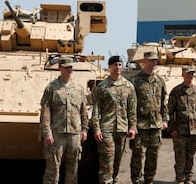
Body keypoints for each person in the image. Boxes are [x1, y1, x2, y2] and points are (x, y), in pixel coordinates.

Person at [40, 56, 89, 184]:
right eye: (66, 67)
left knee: (72, 171)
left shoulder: (79, 88)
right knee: (52, 171)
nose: (69, 69)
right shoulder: (52, 88)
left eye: (70, 67)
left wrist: (84, 129)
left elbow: (83, 110)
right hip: (57, 134)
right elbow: (45, 112)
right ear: (59, 68)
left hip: (74, 134)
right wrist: (47, 133)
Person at [92, 55, 137, 184]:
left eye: (119, 65)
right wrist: (96, 128)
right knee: (107, 161)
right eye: (115, 65)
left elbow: (132, 109)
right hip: (107, 129)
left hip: (122, 129)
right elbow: (96, 109)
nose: (118, 67)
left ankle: (114, 180)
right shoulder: (102, 87)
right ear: (109, 67)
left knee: (117, 161)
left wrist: (133, 127)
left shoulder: (129, 86)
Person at [129, 51, 169, 184]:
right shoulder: (135, 81)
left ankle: (149, 180)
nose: (153, 63)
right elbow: (130, 105)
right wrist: (132, 124)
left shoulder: (160, 81)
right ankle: (136, 180)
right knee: (137, 154)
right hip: (140, 125)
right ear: (144, 62)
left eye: (155, 61)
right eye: (151, 60)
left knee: (153, 155)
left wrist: (164, 119)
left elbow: (163, 102)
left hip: (155, 125)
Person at [168, 65, 196, 184]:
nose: (190, 75)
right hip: (180, 130)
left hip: (195, 130)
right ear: (183, 75)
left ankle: (188, 178)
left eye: (192, 73)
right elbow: (170, 111)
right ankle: (180, 178)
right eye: (188, 73)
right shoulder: (176, 91)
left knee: (191, 156)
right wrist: (172, 128)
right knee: (180, 156)